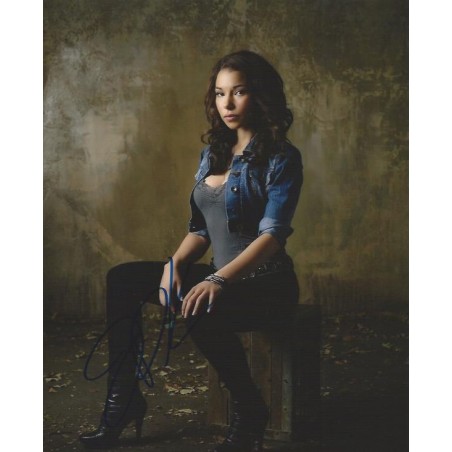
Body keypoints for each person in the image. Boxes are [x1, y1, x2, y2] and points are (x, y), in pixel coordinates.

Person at [79, 50, 303, 452]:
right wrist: (176, 262)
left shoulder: (281, 157)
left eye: (239, 92)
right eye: (220, 93)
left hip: (266, 286)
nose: (227, 103)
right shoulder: (213, 154)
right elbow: (201, 229)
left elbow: (272, 236)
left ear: (260, 95)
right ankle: (123, 399)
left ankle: (250, 408)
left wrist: (217, 279)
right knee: (123, 279)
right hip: (220, 277)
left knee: (200, 303)